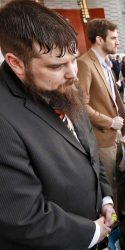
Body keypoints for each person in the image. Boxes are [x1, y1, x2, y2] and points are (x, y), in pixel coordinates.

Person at [0, 1, 115, 249]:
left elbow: (89, 152)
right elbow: (23, 216)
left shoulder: (62, 84)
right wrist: (93, 231)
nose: (72, 73)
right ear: (16, 63)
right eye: (56, 65)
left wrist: (106, 198)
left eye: (73, 59)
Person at [77, 19, 125, 219]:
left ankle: (123, 219)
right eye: (113, 38)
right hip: (103, 137)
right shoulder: (84, 64)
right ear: (99, 39)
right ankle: (111, 230)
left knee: (121, 180)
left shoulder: (105, 62)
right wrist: (109, 122)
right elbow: (81, 106)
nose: (117, 42)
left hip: (116, 134)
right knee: (110, 186)